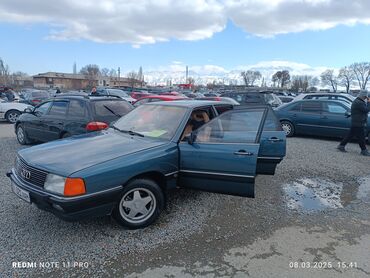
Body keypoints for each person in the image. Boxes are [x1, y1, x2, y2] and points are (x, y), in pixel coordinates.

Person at [337, 90, 370, 156]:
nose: (366, 98)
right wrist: (369, 103)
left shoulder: (359, 101)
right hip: (358, 122)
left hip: (357, 121)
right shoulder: (359, 102)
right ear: (363, 96)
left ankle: (341, 146)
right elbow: (366, 110)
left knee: (350, 135)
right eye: (366, 96)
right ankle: (364, 150)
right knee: (361, 137)